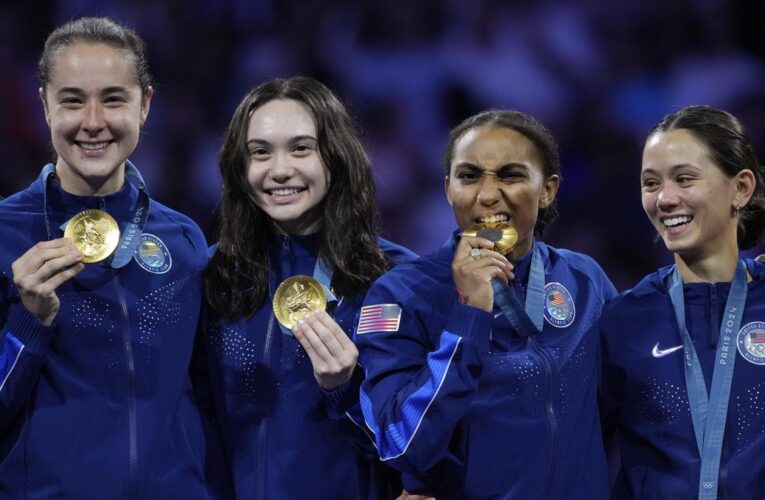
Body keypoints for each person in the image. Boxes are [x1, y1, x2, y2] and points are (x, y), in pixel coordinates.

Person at [356, 109, 616, 499]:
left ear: (548, 189)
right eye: (469, 176)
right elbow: (400, 443)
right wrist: (468, 317)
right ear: (448, 189)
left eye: (511, 175)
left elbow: (625, 407)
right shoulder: (402, 294)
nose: (488, 194)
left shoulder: (584, 280)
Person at [0, 17, 210, 498]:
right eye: (72, 100)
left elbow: (210, 398)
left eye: (113, 99)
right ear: (44, 107)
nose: (93, 121)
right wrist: (26, 323)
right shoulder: (5, 234)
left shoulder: (183, 241)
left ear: (145, 105)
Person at [201, 76, 416, 499]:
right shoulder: (212, 278)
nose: (280, 170)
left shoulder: (396, 280)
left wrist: (346, 392)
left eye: (301, 148)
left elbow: (416, 444)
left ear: (334, 158)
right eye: (260, 152)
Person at [600, 105, 765, 499]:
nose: (665, 199)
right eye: (651, 183)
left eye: (685, 179)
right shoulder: (624, 320)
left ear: (741, 188)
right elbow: (573, 453)